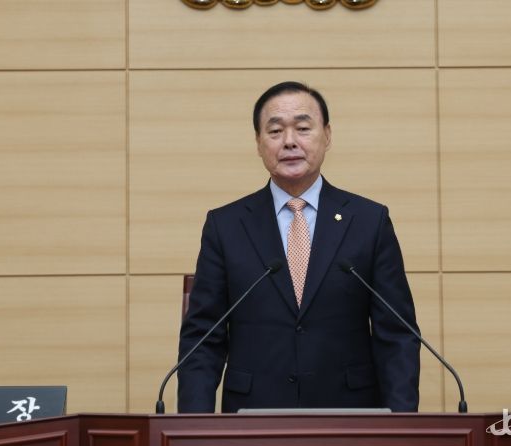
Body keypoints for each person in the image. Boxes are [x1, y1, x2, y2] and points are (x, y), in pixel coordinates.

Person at [177, 81, 420, 413]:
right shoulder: (226, 226)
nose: (289, 141)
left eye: (303, 128)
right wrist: (194, 429)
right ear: (258, 143)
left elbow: (397, 336)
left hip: (350, 416)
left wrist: (401, 428)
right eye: (275, 131)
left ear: (327, 135)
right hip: (252, 419)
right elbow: (203, 339)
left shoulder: (369, 221)